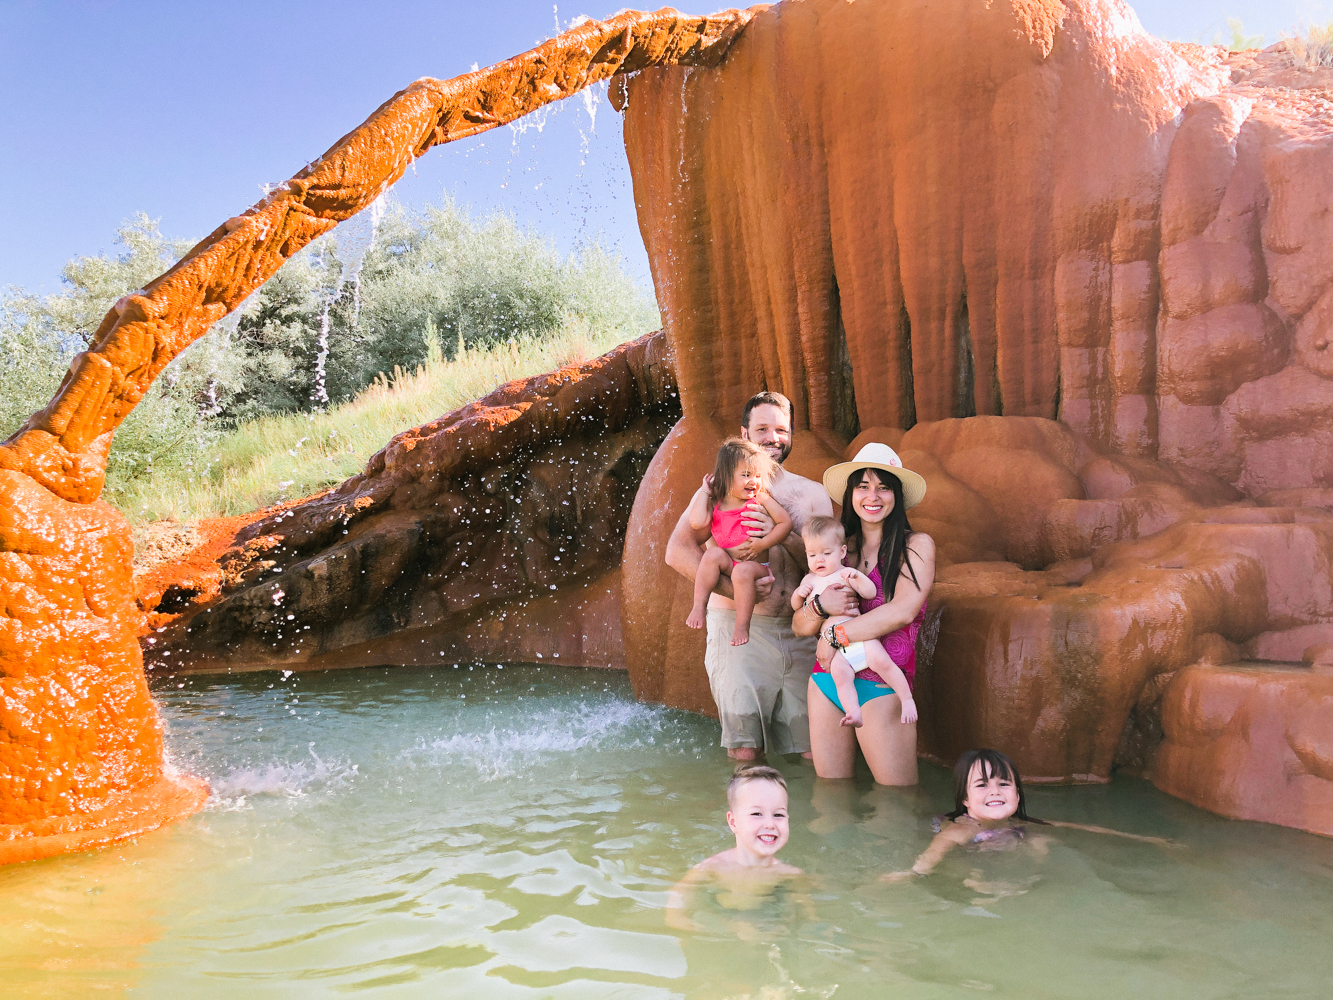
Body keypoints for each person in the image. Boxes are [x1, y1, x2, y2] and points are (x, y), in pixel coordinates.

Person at [666, 392, 832, 761]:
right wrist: (739, 589)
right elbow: (677, 550)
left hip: (800, 632)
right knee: (745, 752)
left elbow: (829, 565)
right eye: (762, 429)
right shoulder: (721, 490)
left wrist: (782, 534)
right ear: (744, 433)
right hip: (739, 632)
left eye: (781, 430)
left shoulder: (811, 494)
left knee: (811, 752)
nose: (772, 438)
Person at [793, 442, 935, 785]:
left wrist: (834, 634)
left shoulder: (916, 546)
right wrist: (820, 607)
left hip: (883, 685)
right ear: (851, 493)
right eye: (863, 486)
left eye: (884, 487)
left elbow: (902, 611)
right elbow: (799, 625)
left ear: (896, 496)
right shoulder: (839, 551)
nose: (873, 496)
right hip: (826, 681)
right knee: (831, 798)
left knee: (898, 803)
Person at [882, 749, 1180, 881]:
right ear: (965, 800)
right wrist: (911, 874)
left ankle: (1030, 880)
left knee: (1041, 841)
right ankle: (985, 883)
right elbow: (933, 855)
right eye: (983, 785)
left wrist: (1147, 840)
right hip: (974, 856)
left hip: (1007, 844)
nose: (995, 792)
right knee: (974, 870)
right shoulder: (960, 831)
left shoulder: (1021, 824)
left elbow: (1081, 828)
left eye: (1004, 784)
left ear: (1017, 794)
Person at [791, 516, 917, 729]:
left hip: (859, 637)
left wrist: (856, 578)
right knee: (841, 678)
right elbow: (797, 609)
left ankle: (906, 699)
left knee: (884, 664)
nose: (819, 560)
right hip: (839, 652)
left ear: (841, 552)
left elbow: (869, 593)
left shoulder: (844, 574)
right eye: (812, 555)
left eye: (826, 553)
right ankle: (853, 711)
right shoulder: (809, 580)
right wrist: (798, 594)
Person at [665, 765, 803, 932]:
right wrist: (677, 918)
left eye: (778, 815)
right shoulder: (714, 867)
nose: (770, 824)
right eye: (756, 814)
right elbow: (680, 893)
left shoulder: (788, 874)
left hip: (764, 920)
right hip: (722, 918)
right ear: (733, 822)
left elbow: (806, 910)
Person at [685, 439, 794, 646]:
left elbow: (784, 522)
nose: (753, 481)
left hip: (756, 567)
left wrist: (762, 545)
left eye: (758, 476)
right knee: (711, 555)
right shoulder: (716, 500)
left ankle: (742, 625)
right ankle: (699, 605)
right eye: (745, 475)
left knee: (742, 572)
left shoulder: (760, 498)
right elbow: (697, 522)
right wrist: (704, 492)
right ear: (726, 476)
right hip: (729, 563)